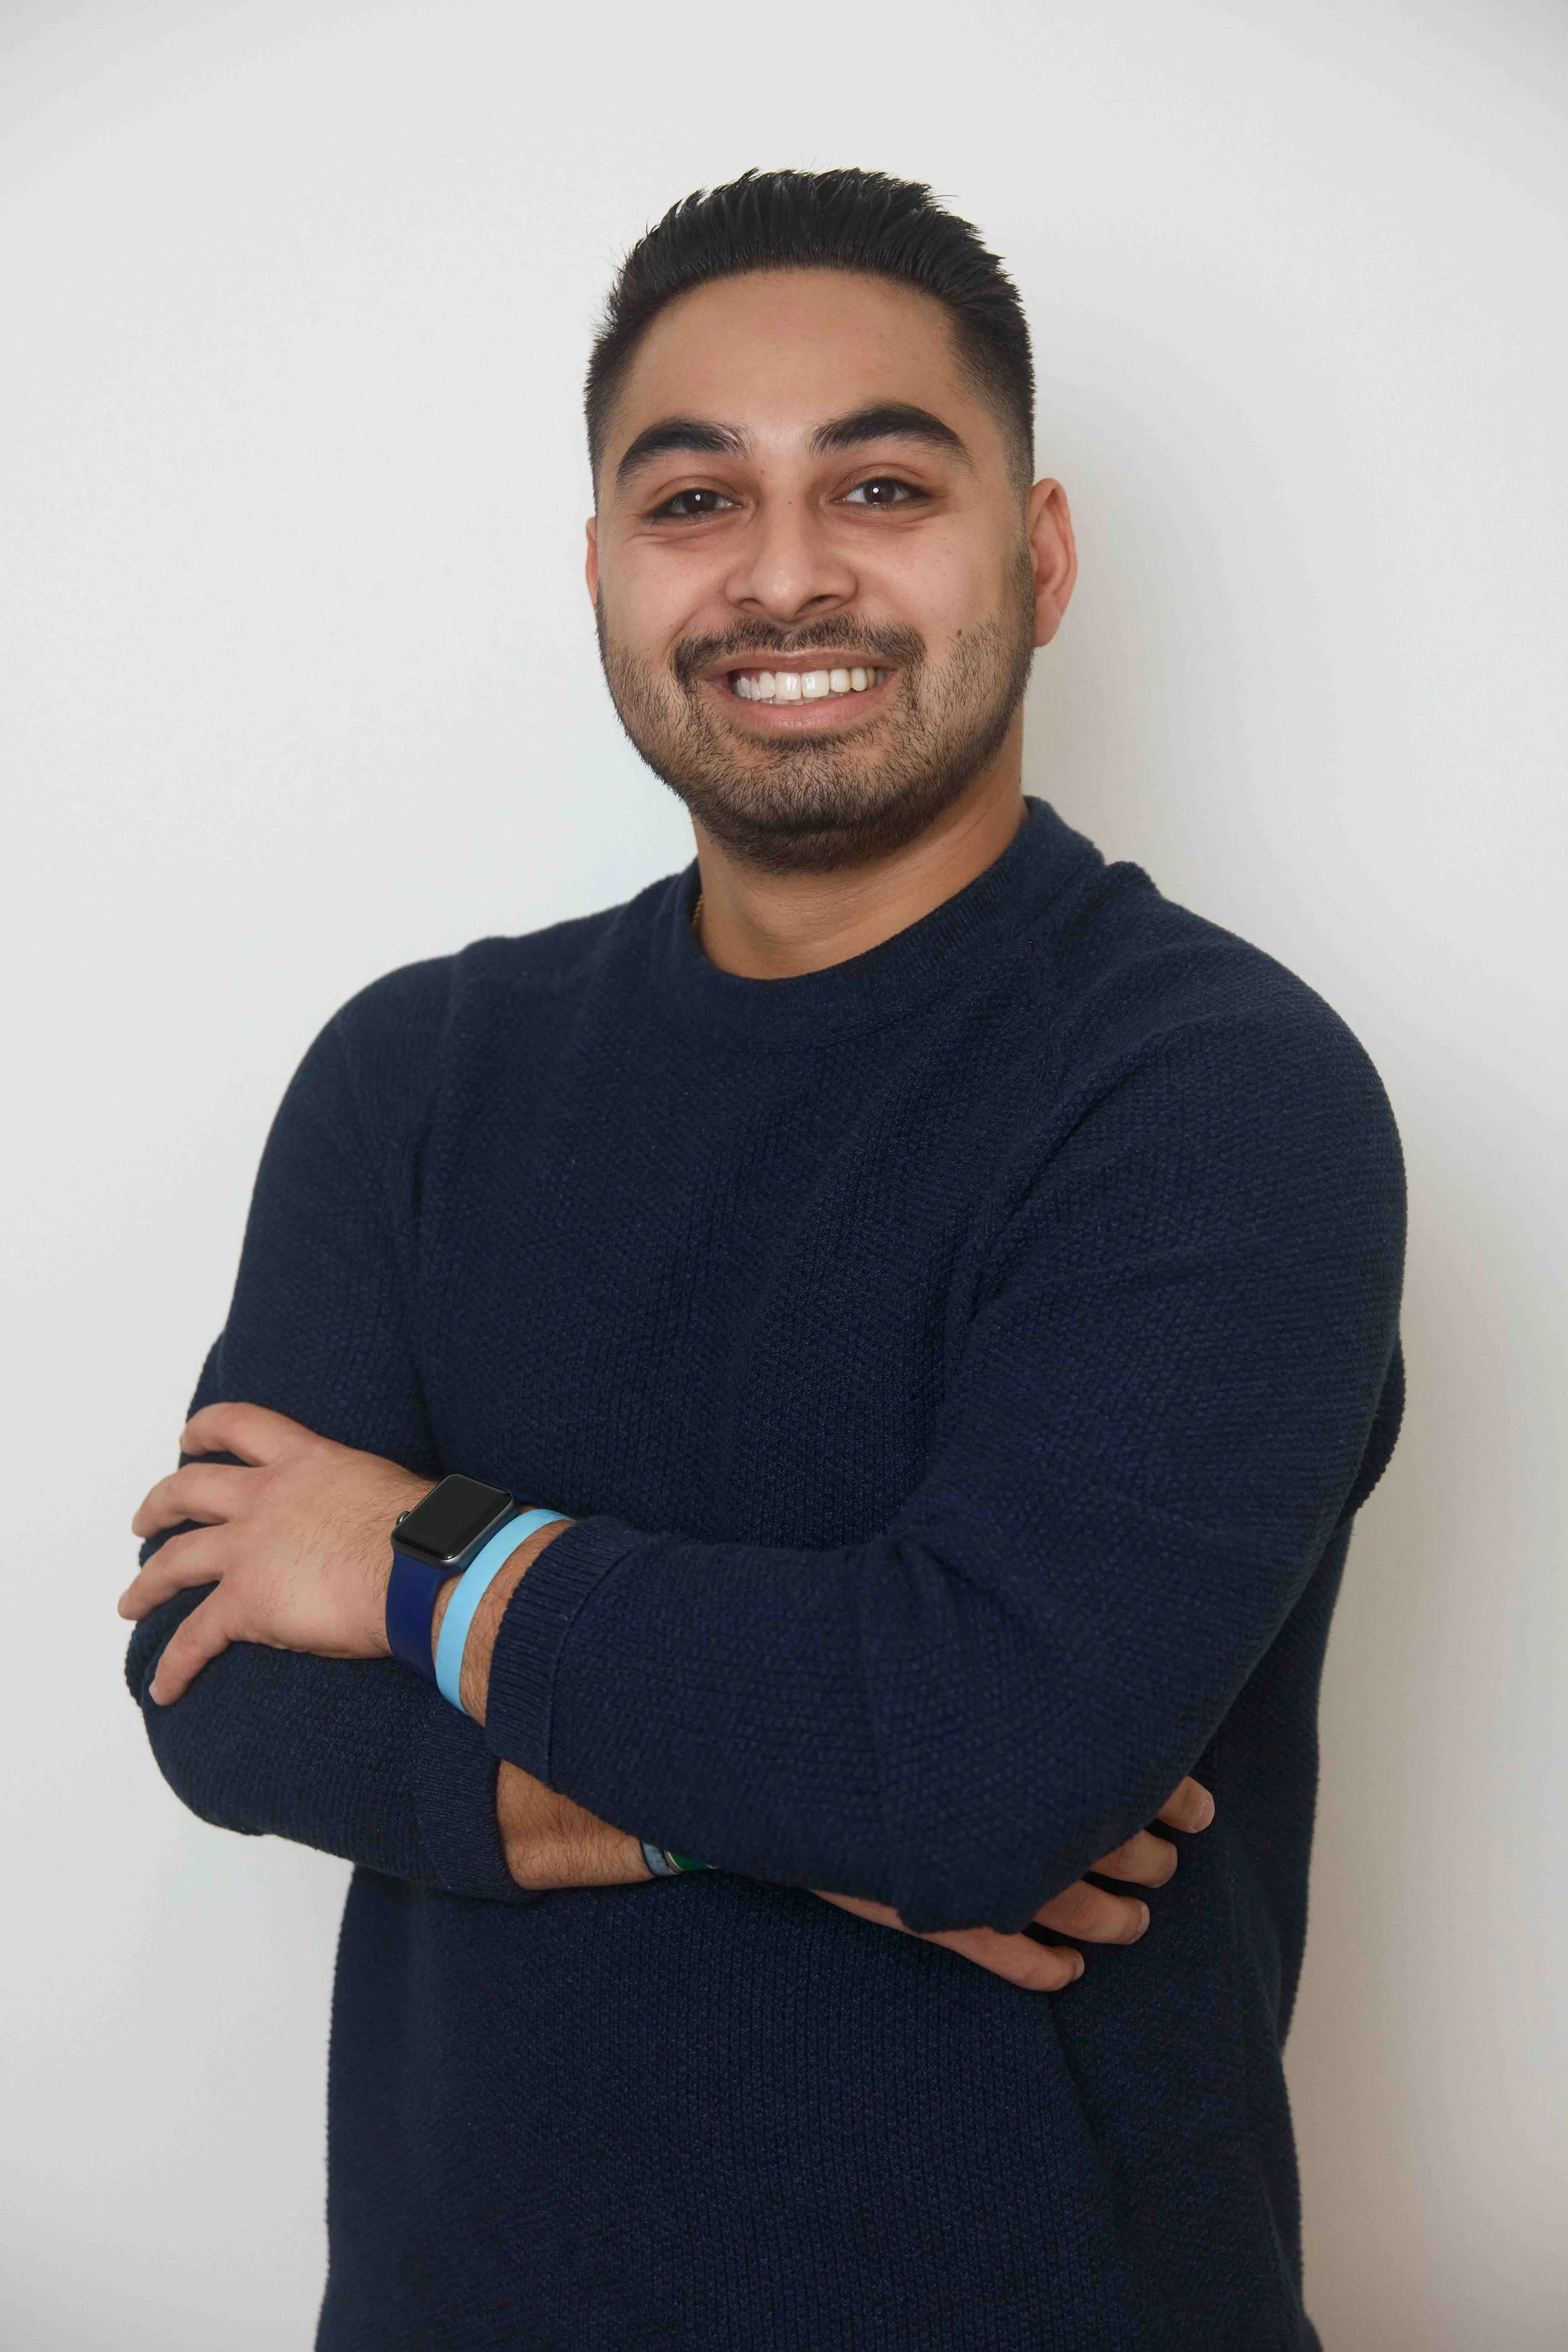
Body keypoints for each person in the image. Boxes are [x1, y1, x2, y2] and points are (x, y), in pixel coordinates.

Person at [121, 167, 1405, 2349]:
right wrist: (815, 1805)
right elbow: (222, 1694)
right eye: (692, 495)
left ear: (1040, 551)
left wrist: (406, 1556)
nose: (783, 572)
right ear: (606, 570)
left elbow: (986, 1768)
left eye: (883, 481)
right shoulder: (414, 1070)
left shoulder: (1216, 1093)